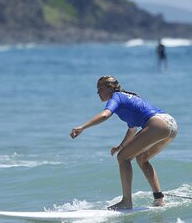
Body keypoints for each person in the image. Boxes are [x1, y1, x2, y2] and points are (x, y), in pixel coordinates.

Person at [70, 76, 178, 210]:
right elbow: (132, 130)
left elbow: (105, 115)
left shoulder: (117, 97)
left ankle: (127, 201)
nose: (98, 93)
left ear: (110, 88)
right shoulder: (126, 98)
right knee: (142, 158)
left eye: (100, 89)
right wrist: (121, 146)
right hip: (170, 125)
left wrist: (82, 127)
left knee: (123, 157)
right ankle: (159, 198)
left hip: (157, 124)